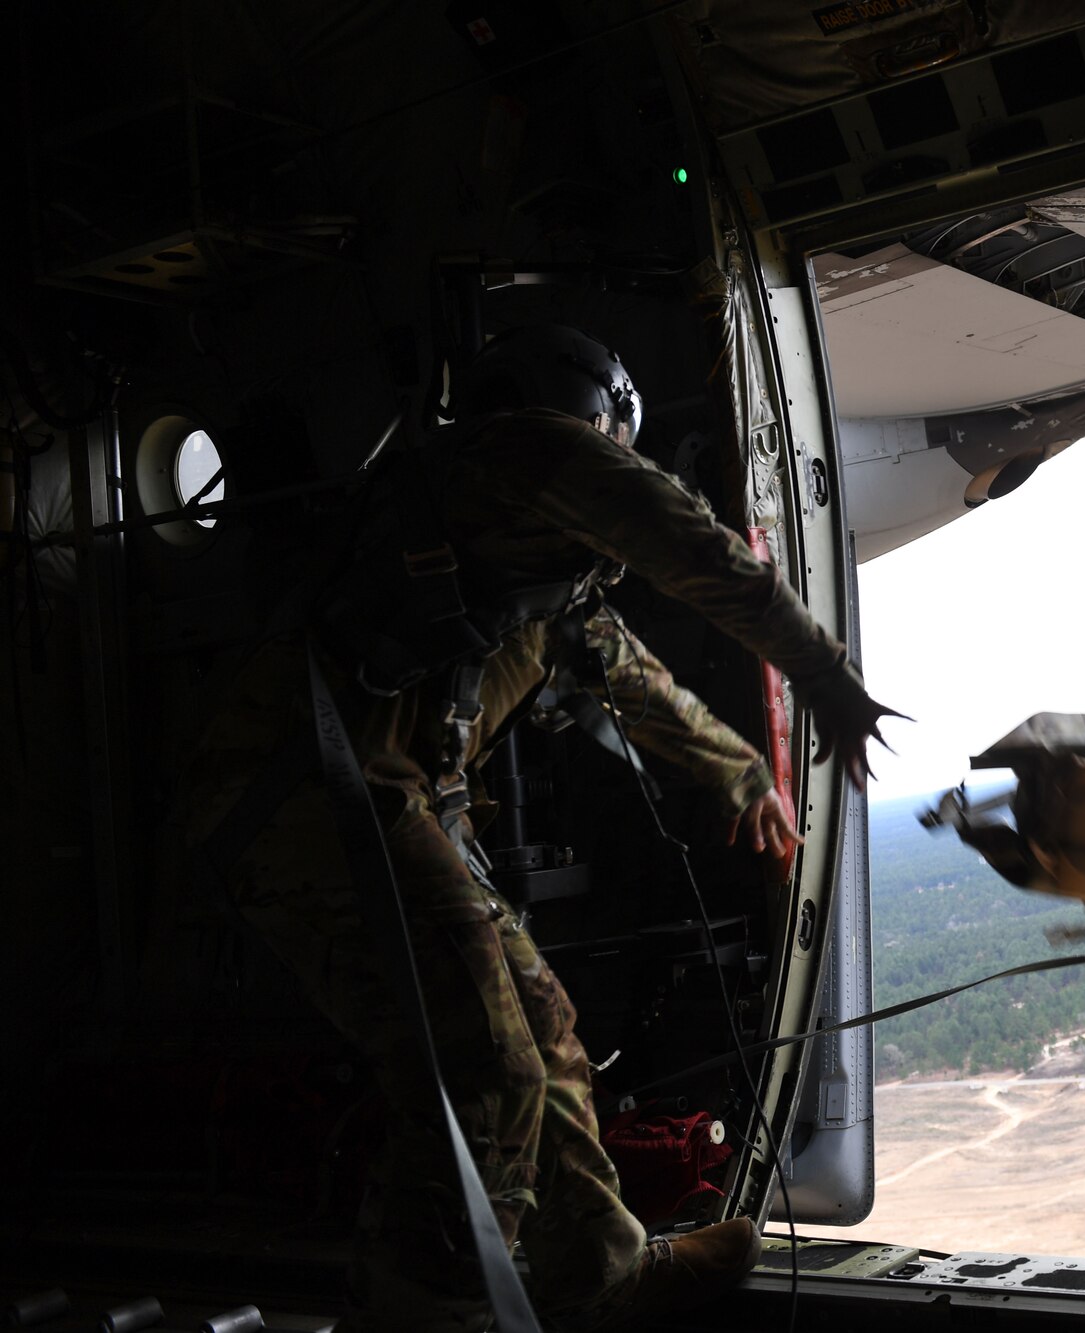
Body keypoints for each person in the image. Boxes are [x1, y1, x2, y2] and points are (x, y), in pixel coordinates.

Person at [184, 325, 899, 1332]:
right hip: (309, 804)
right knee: (487, 1067)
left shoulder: (516, 550)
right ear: (598, 423)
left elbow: (632, 678)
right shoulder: (531, 451)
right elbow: (694, 545)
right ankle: (423, 1312)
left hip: (388, 804)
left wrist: (742, 775)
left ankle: (603, 1273)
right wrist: (820, 668)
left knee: (548, 1040)